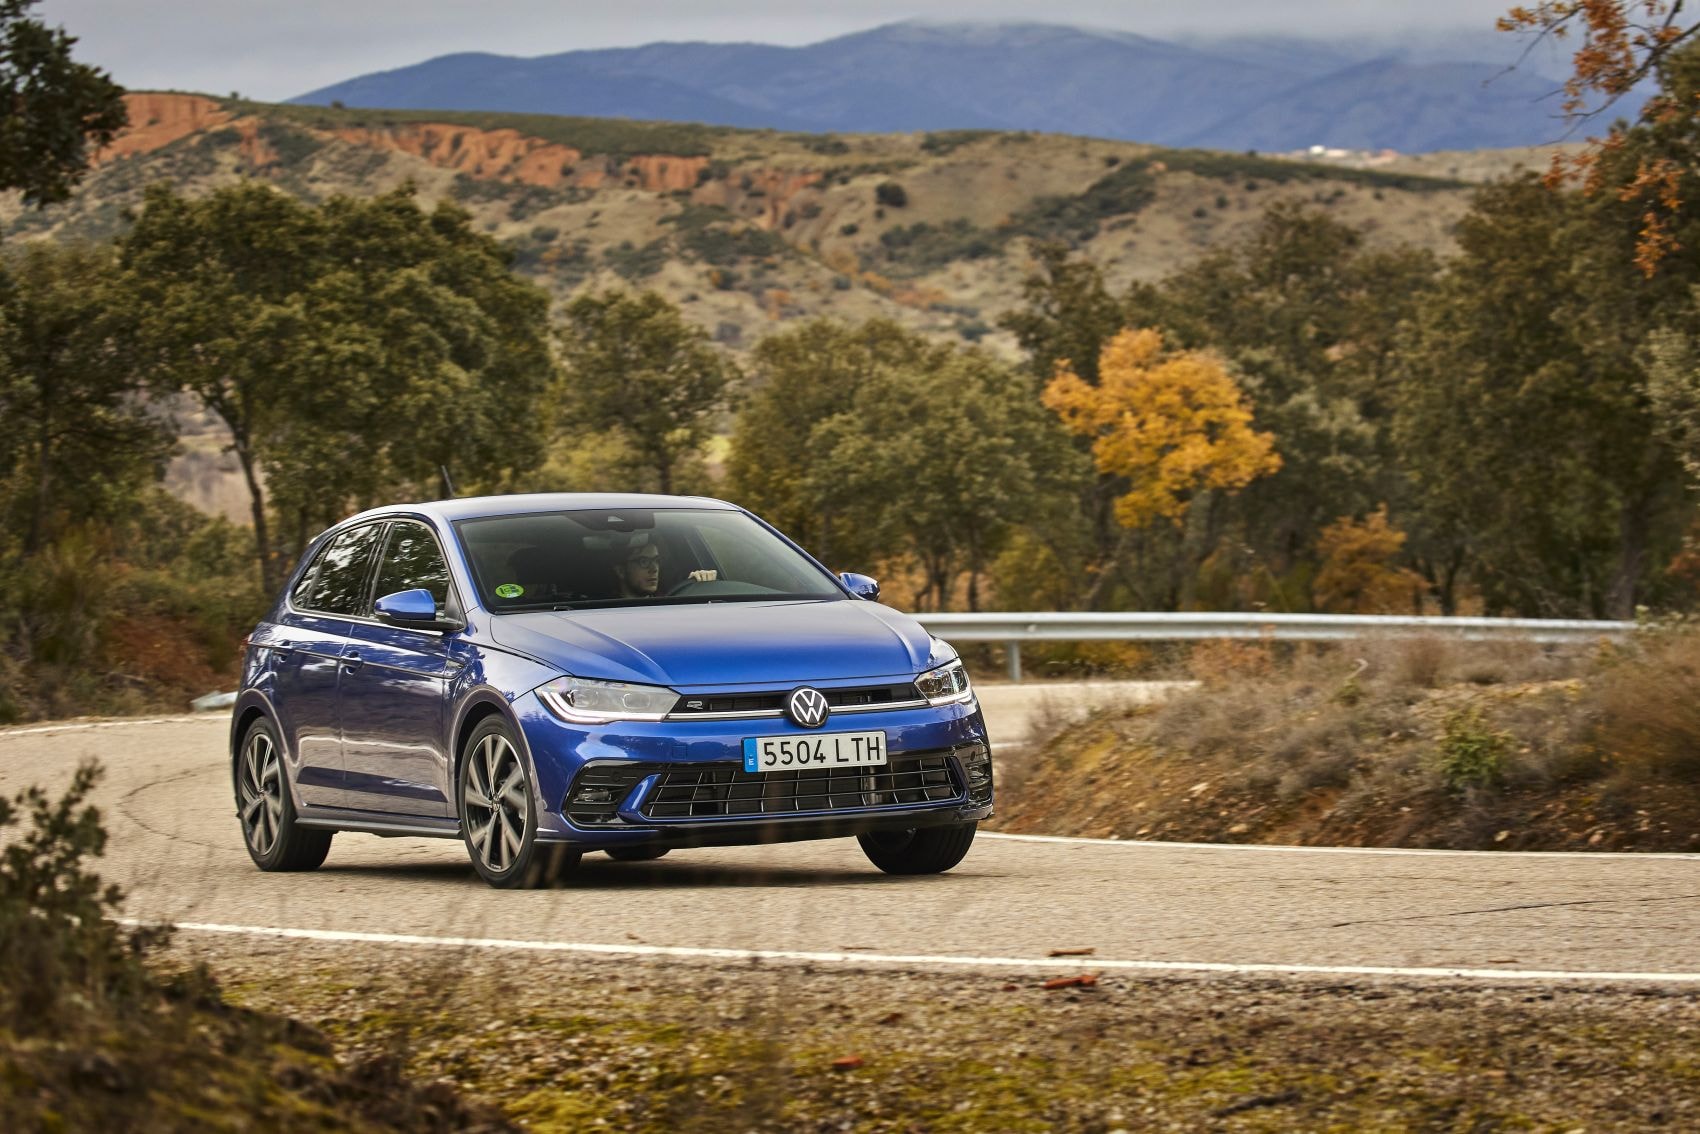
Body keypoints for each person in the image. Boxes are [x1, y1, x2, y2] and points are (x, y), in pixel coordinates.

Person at [613, 536, 716, 598]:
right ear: (621, 571)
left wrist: (696, 587)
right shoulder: (604, 609)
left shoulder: (667, 599)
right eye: (643, 561)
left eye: (657, 560)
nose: (654, 569)